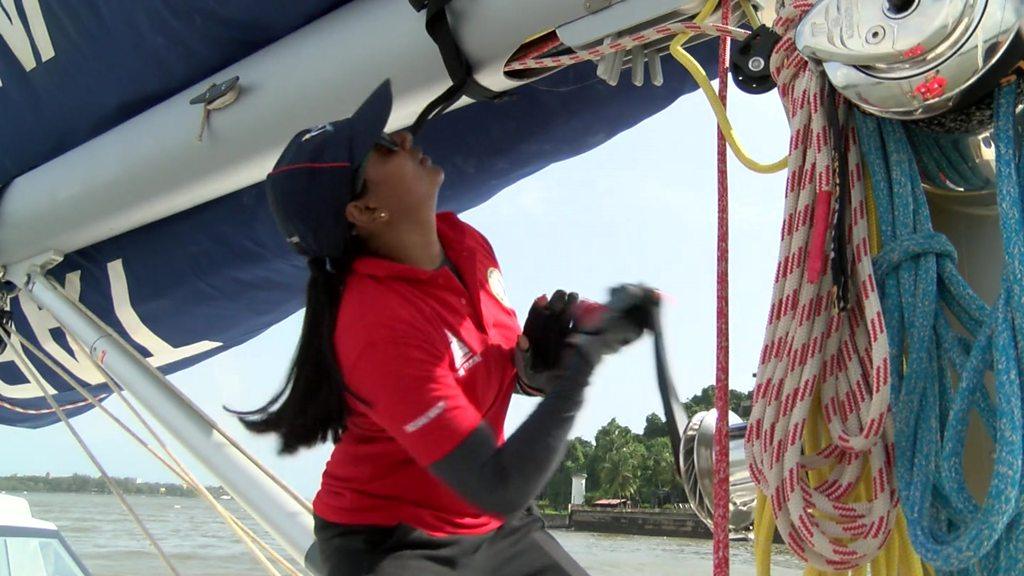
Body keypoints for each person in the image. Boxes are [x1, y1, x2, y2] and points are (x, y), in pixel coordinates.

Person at [237, 80, 647, 576]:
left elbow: (474, 374)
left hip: (489, 523)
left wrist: (533, 371)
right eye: (385, 146)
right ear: (365, 211)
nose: (405, 139)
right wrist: (583, 363)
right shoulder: (376, 322)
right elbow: (497, 485)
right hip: (393, 543)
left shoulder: (465, 242)